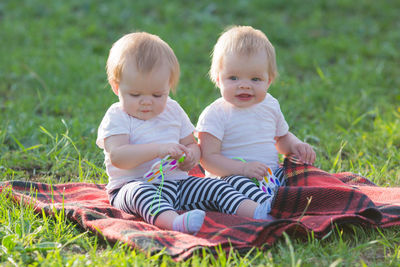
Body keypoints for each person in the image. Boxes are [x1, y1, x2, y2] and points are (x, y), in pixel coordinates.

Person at [96, 32, 275, 235]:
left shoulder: (173, 110)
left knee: (215, 187)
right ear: (116, 87)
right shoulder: (117, 116)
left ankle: (258, 212)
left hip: (178, 184)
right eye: (135, 94)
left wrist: (191, 157)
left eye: (157, 94)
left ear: (168, 87)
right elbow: (119, 157)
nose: (146, 101)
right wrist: (159, 149)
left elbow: (191, 143)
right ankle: (175, 223)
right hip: (132, 186)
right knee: (141, 193)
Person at [196, 25, 316, 205]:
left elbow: (281, 139)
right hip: (229, 180)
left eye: (255, 79)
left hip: (268, 177)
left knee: (301, 173)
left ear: (269, 80)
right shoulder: (216, 114)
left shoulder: (270, 105)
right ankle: (272, 209)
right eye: (234, 78)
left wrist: (296, 145)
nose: (244, 85)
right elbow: (208, 159)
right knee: (235, 184)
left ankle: (298, 199)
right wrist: (243, 169)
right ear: (219, 79)